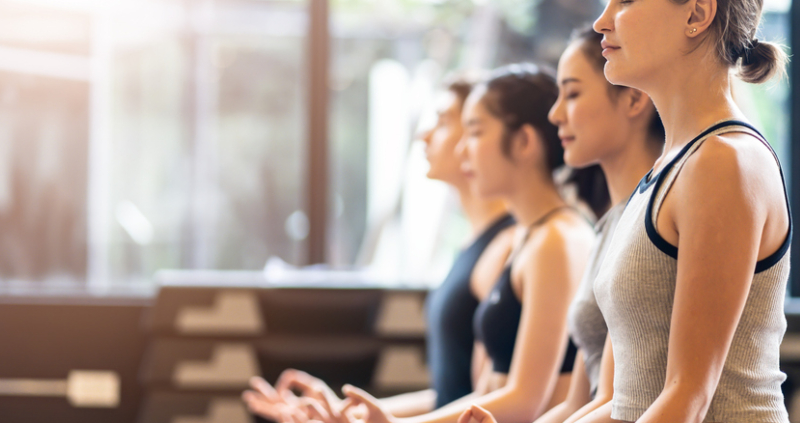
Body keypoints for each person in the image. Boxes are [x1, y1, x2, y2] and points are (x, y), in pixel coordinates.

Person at [242, 78, 518, 420]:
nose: (425, 135)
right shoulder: (473, 243)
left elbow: (489, 395)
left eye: (445, 122)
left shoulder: (507, 247)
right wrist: (349, 413)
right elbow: (453, 392)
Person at [339, 63, 599, 423]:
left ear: (524, 141)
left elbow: (527, 400)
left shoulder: (557, 240)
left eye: (475, 133)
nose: (463, 151)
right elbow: (483, 391)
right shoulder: (532, 235)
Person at [575, 0, 792, 421]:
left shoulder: (724, 162)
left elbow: (687, 398)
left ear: (696, 14)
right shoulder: (668, 167)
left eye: (626, 1)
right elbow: (621, 403)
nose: (602, 21)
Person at [531, 24, 665, 423]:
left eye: (572, 93)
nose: (555, 114)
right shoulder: (611, 223)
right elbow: (580, 402)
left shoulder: (652, 219)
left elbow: (618, 403)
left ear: (634, 99)